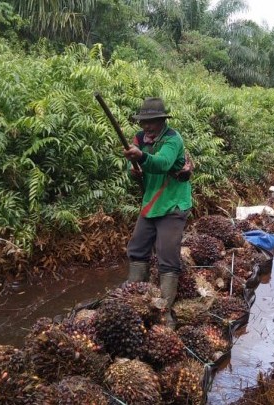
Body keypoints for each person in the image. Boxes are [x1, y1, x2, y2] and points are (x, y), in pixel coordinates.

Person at [122, 97, 192, 328]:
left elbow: (162, 163)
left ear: (162, 120)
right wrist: (134, 168)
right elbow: (134, 165)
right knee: (137, 248)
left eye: (152, 121)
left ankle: (165, 312)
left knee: (167, 256)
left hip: (172, 203)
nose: (147, 126)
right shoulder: (139, 138)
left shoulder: (173, 139)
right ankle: (134, 299)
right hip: (151, 202)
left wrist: (141, 157)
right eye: (144, 122)